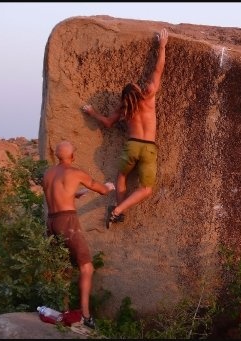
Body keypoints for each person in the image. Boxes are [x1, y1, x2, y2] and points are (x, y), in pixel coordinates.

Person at [81, 28, 169, 228]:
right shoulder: (148, 95)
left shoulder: (124, 108)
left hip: (131, 147)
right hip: (148, 147)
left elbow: (107, 123)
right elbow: (158, 69)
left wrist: (92, 112)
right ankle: (119, 211)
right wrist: (162, 46)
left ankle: (118, 211)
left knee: (121, 177)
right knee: (146, 189)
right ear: (138, 90)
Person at [42, 140, 116, 329]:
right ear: (72, 156)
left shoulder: (48, 174)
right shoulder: (75, 172)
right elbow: (101, 190)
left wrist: (75, 194)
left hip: (51, 222)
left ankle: (63, 309)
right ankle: (85, 315)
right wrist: (108, 186)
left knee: (63, 268)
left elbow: (56, 194)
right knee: (86, 267)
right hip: (67, 222)